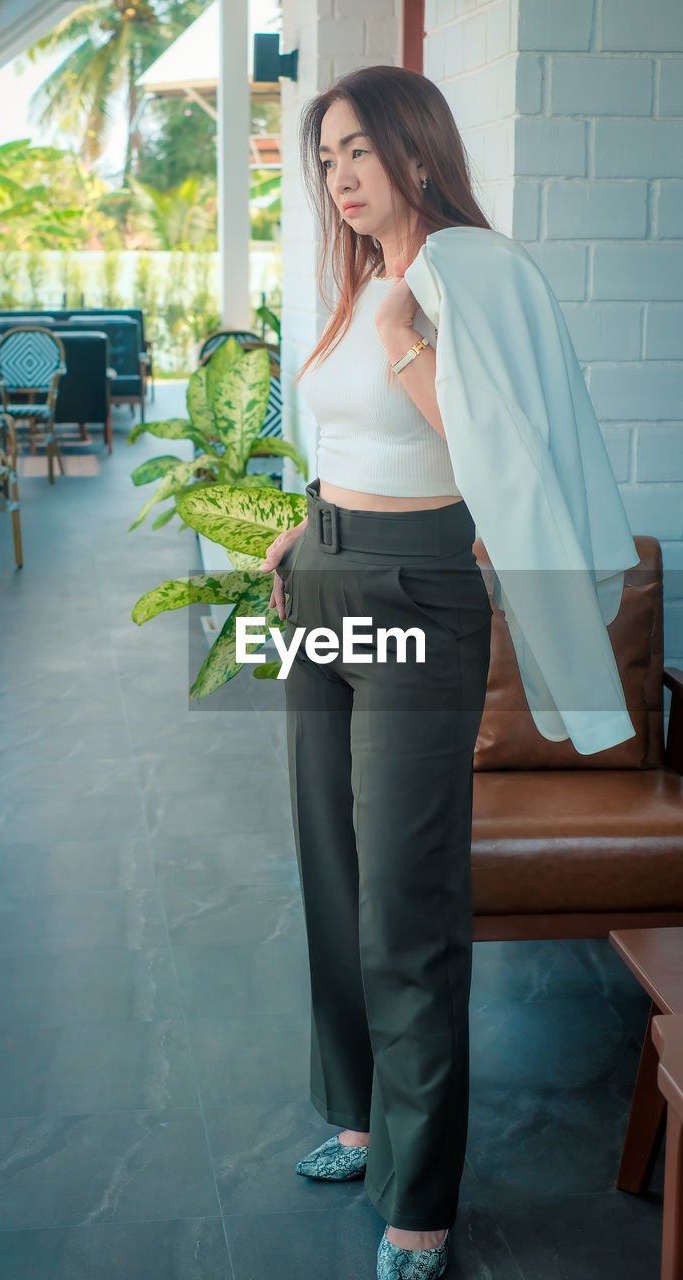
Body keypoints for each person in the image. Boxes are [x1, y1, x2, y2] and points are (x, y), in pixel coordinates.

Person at [259, 66, 497, 1280]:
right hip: (330, 574)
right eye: (327, 159)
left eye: (357, 152)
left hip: (418, 587)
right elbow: (355, 435)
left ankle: (422, 1194)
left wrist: (406, 342)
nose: (340, 179)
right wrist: (308, 526)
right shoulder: (354, 276)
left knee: (405, 897)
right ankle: (356, 1115)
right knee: (332, 862)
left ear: (415, 149)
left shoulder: (460, 272)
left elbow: (498, 454)